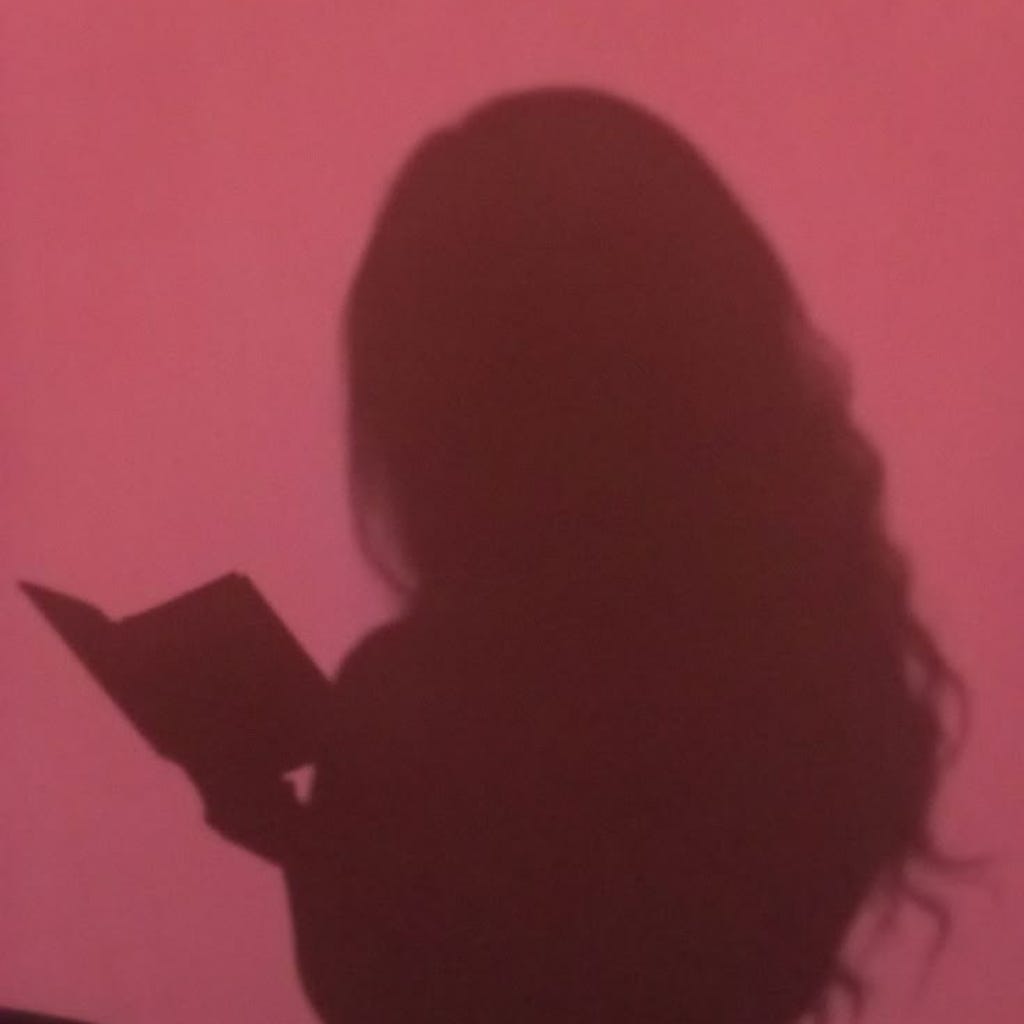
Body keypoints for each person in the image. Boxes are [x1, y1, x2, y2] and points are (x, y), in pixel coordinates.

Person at [198, 88, 960, 1023]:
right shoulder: (826, 680)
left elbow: (396, 989)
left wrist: (328, 837)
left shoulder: (414, 704)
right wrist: (316, 841)